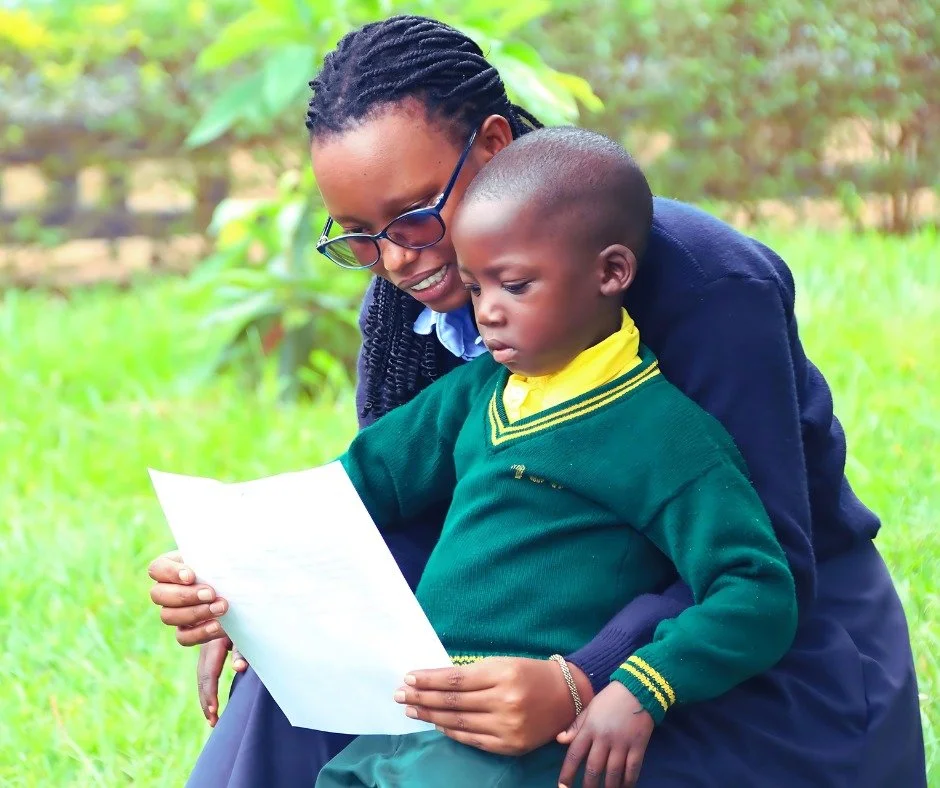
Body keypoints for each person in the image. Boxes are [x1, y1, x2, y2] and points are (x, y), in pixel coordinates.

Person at [147, 15, 926, 788]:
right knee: (282, 705)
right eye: (358, 236)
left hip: (748, 669)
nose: (394, 260)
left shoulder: (705, 285)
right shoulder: (407, 303)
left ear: (491, 147)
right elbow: (417, 513)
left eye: (416, 215)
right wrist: (259, 590)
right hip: (528, 632)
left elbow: (762, 572)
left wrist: (578, 678)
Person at [313, 124, 799, 787]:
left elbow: (757, 586)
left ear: (610, 272)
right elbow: (366, 477)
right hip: (408, 723)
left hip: (514, 746)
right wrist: (233, 553)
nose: (487, 313)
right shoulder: (480, 392)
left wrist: (639, 687)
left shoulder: (659, 433)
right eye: (475, 287)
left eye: (514, 285)